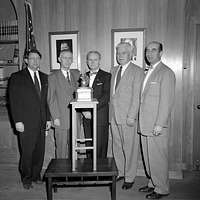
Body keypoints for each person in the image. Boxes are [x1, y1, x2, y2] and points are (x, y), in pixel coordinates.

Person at [9, 49, 51, 189]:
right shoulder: (17, 77)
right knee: (27, 151)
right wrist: (17, 120)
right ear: (26, 60)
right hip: (25, 122)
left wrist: (48, 119)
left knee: (39, 151)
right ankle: (26, 178)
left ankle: (35, 175)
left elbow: (46, 101)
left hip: (41, 121)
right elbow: (14, 101)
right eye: (32, 58)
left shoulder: (45, 77)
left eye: (38, 58)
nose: (35, 61)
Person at [138, 41, 176, 199]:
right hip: (145, 123)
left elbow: (167, 101)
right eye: (147, 50)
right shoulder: (149, 71)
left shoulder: (166, 72)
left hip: (156, 125)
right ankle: (153, 183)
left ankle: (161, 188)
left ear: (161, 53)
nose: (149, 53)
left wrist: (160, 124)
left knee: (158, 158)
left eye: (153, 50)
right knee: (149, 157)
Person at [109, 42, 144, 190]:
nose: (120, 56)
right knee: (117, 146)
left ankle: (130, 177)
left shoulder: (138, 71)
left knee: (129, 148)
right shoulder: (114, 69)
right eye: (118, 53)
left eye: (123, 53)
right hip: (113, 116)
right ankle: (121, 172)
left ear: (131, 54)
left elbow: (137, 96)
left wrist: (132, 115)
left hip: (128, 117)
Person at [48, 49, 80, 159]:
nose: (67, 60)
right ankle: (61, 175)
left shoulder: (77, 74)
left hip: (75, 118)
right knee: (61, 149)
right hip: (60, 118)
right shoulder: (53, 76)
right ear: (59, 59)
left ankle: (73, 173)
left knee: (74, 148)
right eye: (65, 58)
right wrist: (55, 117)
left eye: (70, 58)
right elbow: (51, 99)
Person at [82, 51, 111, 159]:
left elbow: (106, 96)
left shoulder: (107, 76)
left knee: (100, 146)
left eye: (95, 59)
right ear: (87, 61)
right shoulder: (83, 76)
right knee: (89, 145)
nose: (92, 62)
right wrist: (85, 110)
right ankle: (90, 172)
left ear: (99, 61)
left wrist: (92, 110)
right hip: (86, 117)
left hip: (100, 116)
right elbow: (80, 95)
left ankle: (101, 173)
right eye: (90, 59)